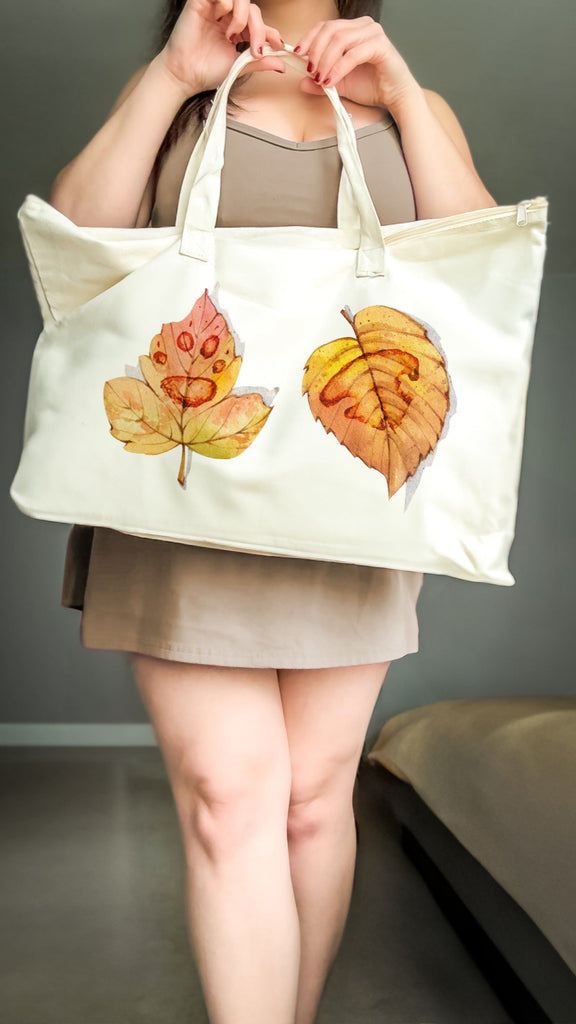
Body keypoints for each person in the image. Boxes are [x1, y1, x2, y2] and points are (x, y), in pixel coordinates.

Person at [50, 2, 497, 1022]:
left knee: (308, 804)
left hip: (349, 497)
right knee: (228, 796)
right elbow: (74, 244)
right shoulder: (179, 91)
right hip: (184, 489)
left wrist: (402, 95)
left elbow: (480, 273)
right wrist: (174, 75)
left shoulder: (411, 102)